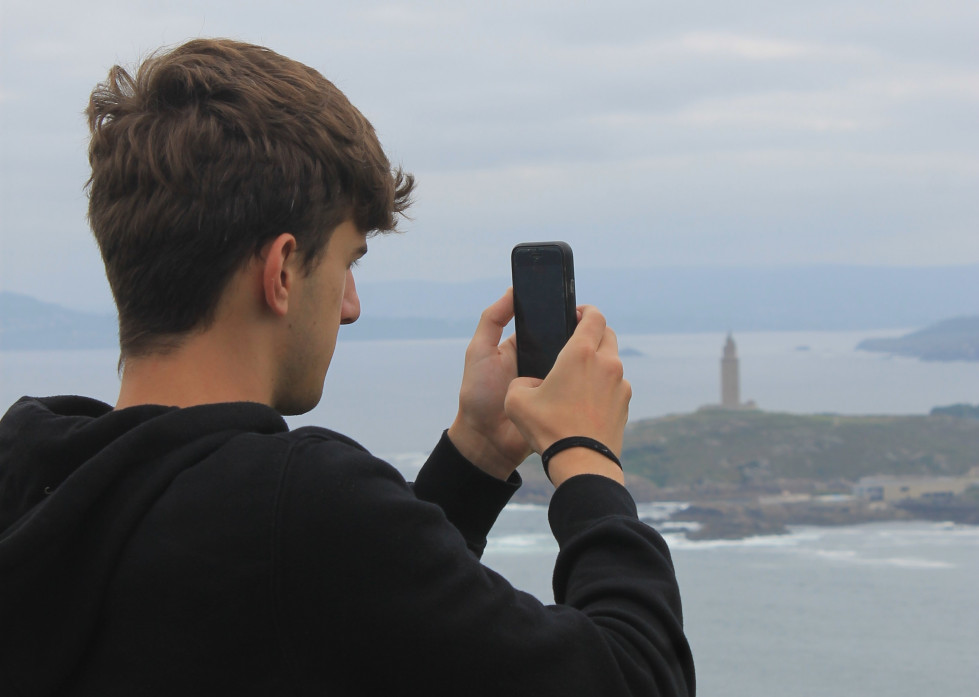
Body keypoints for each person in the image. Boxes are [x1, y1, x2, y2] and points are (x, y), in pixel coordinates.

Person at [0, 39, 695, 696]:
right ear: (279, 272)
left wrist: (476, 453)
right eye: (346, 263)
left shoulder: (36, 483)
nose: (351, 307)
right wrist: (587, 457)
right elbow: (632, 675)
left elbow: (336, 605)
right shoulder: (296, 503)